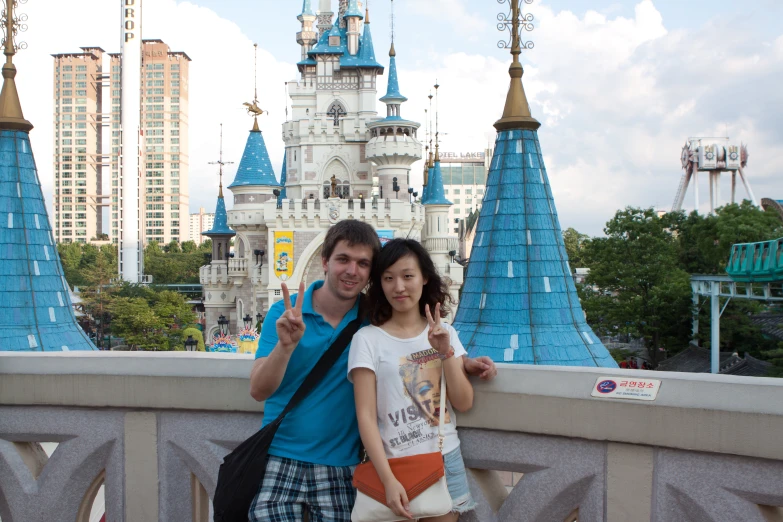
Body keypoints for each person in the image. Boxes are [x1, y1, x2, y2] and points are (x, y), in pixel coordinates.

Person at [248, 220, 496, 522]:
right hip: (282, 455)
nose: (352, 271)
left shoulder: (372, 318)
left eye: (363, 263)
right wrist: (285, 347)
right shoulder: (288, 316)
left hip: (344, 465)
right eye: (343, 259)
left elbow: (412, 346)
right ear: (325, 261)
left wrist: (458, 361)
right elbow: (259, 391)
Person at [349, 238, 477, 521]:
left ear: (424, 278)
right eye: (389, 278)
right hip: (393, 464)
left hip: (444, 459)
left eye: (408, 276)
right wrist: (387, 480)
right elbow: (366, 416)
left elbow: (463, 402)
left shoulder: (445, 333)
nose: (399, 287)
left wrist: (446, 353)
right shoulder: (367, 340)